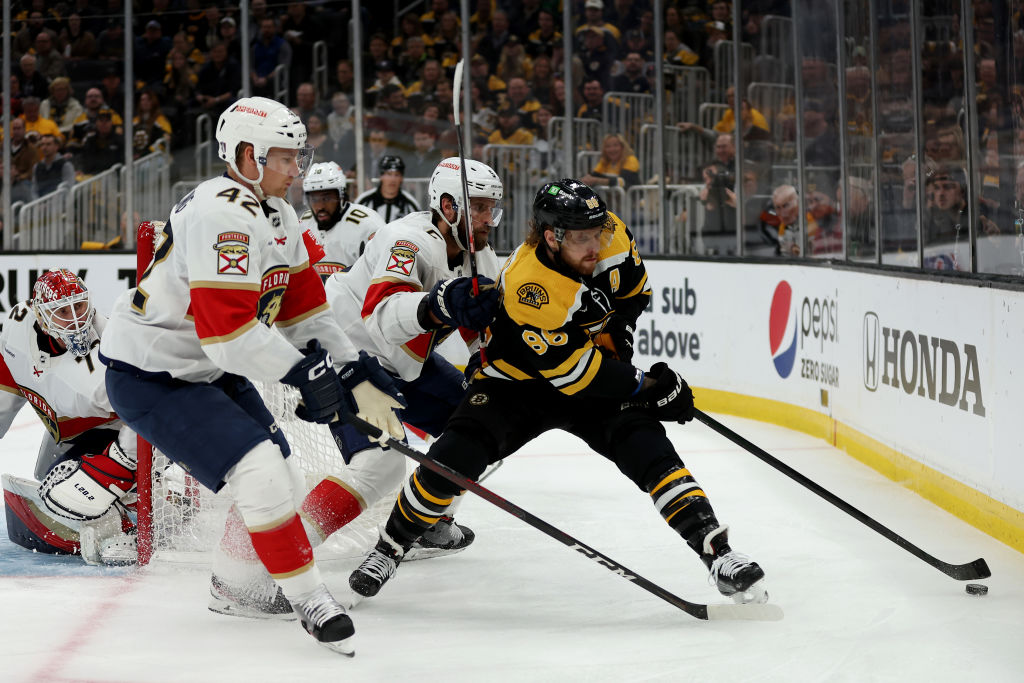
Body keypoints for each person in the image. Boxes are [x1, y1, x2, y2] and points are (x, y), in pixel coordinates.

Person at [348, 179, 769, 607]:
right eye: (583, 239)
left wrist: (619, 334)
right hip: (516, 382)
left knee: (646, 446)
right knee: (454, 457)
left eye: (597, 233)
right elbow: (576, 376)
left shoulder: (610, 236)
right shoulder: (532, 284)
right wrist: (650, 387)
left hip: (585, 367)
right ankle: (388, 549)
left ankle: (718, 554)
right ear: (552, 237)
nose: (595, 246)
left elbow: (633, 294)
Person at [98, 96, 406, 655]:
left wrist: (351, 369)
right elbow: (228, 337)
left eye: (298, 156)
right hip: (152, 374)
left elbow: (306, 313)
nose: (299, 169)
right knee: (260, 469)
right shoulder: (221, 215)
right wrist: (304, 374)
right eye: (287, 158)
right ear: (247, 156)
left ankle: (234, 583)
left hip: (204, 369)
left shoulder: (278, 213)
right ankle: (309, 600)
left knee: (282, 475)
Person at [222, 158, 504, 620]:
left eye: (493, 209)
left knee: (479, 426)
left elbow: (481, 334)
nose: (489, 220)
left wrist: (486, 363)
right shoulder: (409, 241)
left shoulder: (483, 257)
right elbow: (384, 317)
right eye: (479, 208)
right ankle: (267, 563)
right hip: (347, 350)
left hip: (402, 363)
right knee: (381, 463)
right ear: (448, 205)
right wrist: (441, 303)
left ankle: (429, 520)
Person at [0, 269, 138, 566]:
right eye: (63, 310)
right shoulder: (18, 325)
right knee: (47, 479)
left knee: (66, 493)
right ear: (41, 315)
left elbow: (152, 409)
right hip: (72, 431)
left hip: (122, 432)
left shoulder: (110, 359)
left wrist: (121, 462)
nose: (75, 318)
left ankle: (136, 514)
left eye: (79, 306)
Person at [299, 161, 386, 278]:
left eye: (327, 198)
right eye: (314, 199)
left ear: (342, 196)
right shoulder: (305, 223)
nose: (320, 206)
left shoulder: (367, 225)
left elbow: (382, 275)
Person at [354, 155, 420, 223]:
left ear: (401, 178)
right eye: (389, 174)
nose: (393, 179)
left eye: (397, 175)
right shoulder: (364, 201)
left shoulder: (411, 204)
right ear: (380, 176)